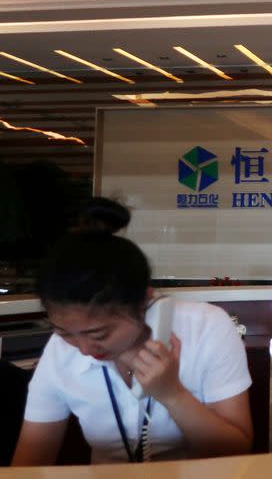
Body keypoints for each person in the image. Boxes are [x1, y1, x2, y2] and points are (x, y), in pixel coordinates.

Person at [12, 199, 253, 465]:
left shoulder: (207, 328)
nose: (83, 350)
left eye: (99, 334)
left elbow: (237, 452)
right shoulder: (59, 352)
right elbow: (29, 463)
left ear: (143, 301)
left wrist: (172, 395)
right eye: (64, 332)